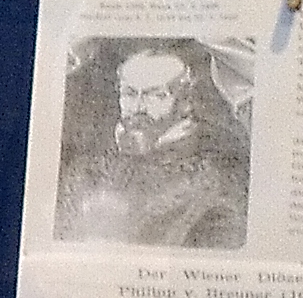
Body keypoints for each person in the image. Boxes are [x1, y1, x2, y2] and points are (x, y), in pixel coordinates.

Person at [60, 42, 248, 249]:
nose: (138, 107)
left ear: (185, 102)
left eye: (156, 95)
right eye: (129, 93)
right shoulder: (88, 169)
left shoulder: (214, 174)